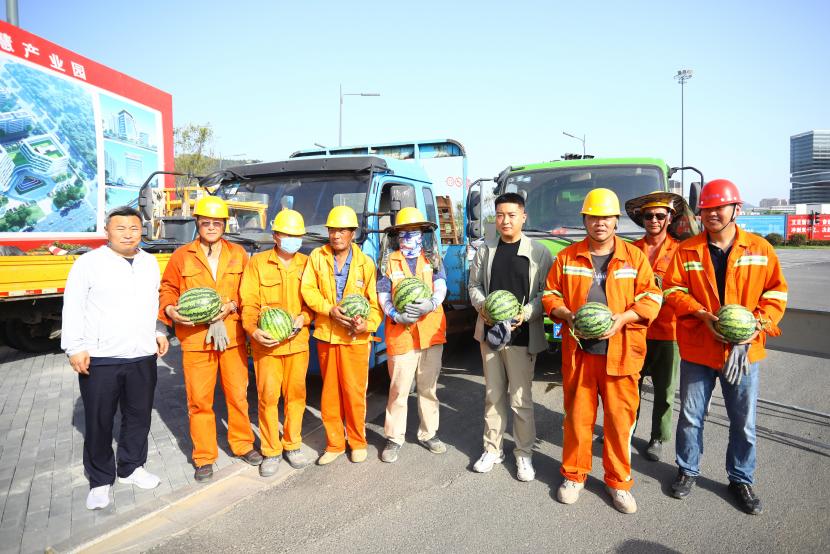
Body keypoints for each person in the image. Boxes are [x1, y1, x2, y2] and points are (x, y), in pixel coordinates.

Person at [662, 179, 787, 515]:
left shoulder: (760, 249)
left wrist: (756, 326)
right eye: (706, 209)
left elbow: (776, 294)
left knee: (743, 420)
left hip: (743, 350)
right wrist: (700, 314)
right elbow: (672, 291)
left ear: (736, 209)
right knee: (691, 416)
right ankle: (688, 470)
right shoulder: (687, 250)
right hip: (699, 347)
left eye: (719, 207)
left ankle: (740, 478)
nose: (712, 214)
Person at [542, 188, 661, 514]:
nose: (600, 223)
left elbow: (652, 298)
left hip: (622, 353)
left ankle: (618, 482)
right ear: (584, 220)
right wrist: (567, 315)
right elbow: (550, 295)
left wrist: (624, 318)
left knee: (619, 423)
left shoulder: (634, 257)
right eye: (593, 217)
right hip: (580, 353)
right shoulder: (567, 257)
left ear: (616, 221)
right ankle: (574, 476)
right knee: (577, 420)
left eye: (606, 217)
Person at [62, 206, 169, 510]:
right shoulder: (89, 263)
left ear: (142, 231)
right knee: (99, 421)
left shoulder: (149, 262)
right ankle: (100, 480)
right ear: (107, 231)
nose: (127, 234)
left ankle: (131, 467)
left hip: (141, 354)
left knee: (138, 416)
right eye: (120, 228)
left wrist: (159, 331)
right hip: (101, 357)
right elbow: (73, 306)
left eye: (134, 228)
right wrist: (74, 347)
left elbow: (154, 302)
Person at [159, 196, 261, 482]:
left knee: (237, 394)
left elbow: (247, 291)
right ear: (197, 223)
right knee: (199, 400)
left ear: (225, 224)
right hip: (196, 338)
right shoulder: (182, 256)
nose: (212, 227)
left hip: (231, 336)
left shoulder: (238, 254)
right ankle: (204, 456)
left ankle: (242, 444)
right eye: (206, 222)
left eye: (217, 222)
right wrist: (170, 310)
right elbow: (167, 289)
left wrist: (231, 306)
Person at [468, 192, 553, 482]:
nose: (505, 221)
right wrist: (484, 307)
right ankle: (492, 449)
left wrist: (526, 313)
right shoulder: (486, 250)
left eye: (512, 215)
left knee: (520, 400)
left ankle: (523, 453)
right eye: (500, 215)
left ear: (523, 217)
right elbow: (474, 286)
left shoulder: (539, 252)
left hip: (521, 337)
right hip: (490, 335)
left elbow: (546, 293)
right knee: (493, 396)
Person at [300, 205, 382, 465]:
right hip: (327, 335)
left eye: (342, 230)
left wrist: (367, 325)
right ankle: (334, 444)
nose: (336, 235)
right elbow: (308, 290)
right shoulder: (317, 256)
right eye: (332, 230)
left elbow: (375, 304)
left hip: (355, 338)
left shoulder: (365, 263)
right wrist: (328, 309)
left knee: (354, 392)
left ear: (352, 233)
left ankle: (358, 442)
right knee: (330, 394)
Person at [240, 209, 312, 476]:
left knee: (296, 396)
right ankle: (271, 450)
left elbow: (313, 302)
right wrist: (252, 330)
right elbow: (249, 302)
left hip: (297, 343)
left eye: (297, 235)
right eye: (287, 234)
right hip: (267, 346)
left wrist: (304, 318)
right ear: (275, 236)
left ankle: (292, 444)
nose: (293, 239)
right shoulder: (258, 263)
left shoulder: (308, 264)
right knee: (268, 398)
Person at [377, 207, 448, 463]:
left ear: (422, 233)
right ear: (397, 235)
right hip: (401, 334)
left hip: (431, 332)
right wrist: (395, 314)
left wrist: (432, 303)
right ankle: (394, 437)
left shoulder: (432, 259)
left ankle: (429, 433)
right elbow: (382, 294)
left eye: (414, 232)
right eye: (404, 232)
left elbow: (441, 285)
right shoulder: (388, 262)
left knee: (428, 388)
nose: (410, 237)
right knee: (399, 390)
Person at [624, 191, 684, 461]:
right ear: (642, 219)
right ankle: (626, 429)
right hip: (634, 329)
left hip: (668, 330)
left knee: (665, 390)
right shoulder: (630, 250)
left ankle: (658, 437)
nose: (654, 220)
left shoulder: (681, 250)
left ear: (670, 218)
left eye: (660, 215)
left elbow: (686, 287)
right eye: (649, 216)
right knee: (628, 385)